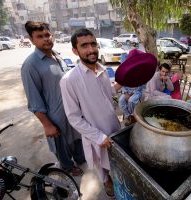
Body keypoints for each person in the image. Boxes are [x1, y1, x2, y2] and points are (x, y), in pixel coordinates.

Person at [59, 28, 121, 197]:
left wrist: (122, 83)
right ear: (75, 50)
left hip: (114, 127)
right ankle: (107, 181)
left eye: (93, 44)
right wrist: (98, 136)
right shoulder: (69, 80)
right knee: (102, 165)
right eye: (84, 45)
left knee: (117, 161)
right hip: (96, 135)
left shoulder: (101, 70)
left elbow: (108, 94)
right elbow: (74, 118)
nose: (91, 49)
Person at [21, 21, 85, 176]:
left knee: (77, 139)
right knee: (61, 145)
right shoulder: (30, 65)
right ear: (32, 40)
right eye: (40, 36)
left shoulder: (57, 56)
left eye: (48, 35)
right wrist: (47, 125)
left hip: (72, 111)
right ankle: (67, 167)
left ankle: (80, 158)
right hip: (55, 116)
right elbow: (34, 101)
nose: (46, 39)